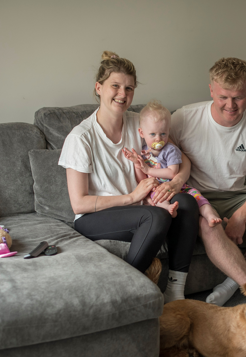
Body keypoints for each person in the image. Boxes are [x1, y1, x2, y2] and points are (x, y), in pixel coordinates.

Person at [58, 51, 199, 303]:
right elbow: (79, 203)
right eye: (115, 86)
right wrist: (133, 197)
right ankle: (126, 297)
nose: (123, 94)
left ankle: (176, 293)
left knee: (187, 203)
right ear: (98, 88)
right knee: (154, 215)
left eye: (129, 88)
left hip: (140, 208)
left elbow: (181, 159)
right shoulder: (81, 138)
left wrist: (176, 183)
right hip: (95, 218)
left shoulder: (141, 124)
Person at [169, 57, 246, 306]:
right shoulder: (184, 118)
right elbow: (163, 159)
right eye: (223, 96)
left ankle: (230, 284)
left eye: (238, 97)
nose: (230, 105)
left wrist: (240, 217)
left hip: (236, 197)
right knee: (208, 223)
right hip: (195, 196)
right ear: (211, 89)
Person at [123, 100, 222, 227]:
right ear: (142, 133)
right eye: (153, 134)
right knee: (156, 198)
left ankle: (210, 215)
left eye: (163, 134)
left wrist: (148, 170)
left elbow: (173, 172)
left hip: (179, 187)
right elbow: (142, 181)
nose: (158, 139)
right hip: (157, 190)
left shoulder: (170, 150)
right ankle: (169, 208)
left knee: (198, 197)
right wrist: (137, 164)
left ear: (168, 132)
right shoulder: (143, 153)